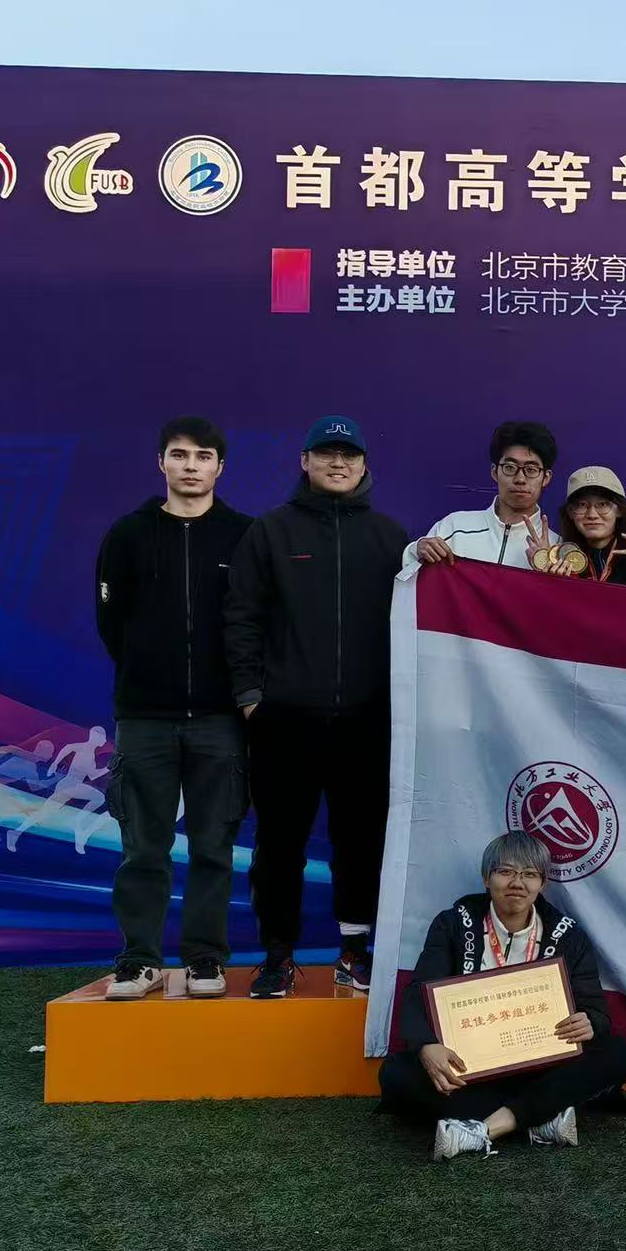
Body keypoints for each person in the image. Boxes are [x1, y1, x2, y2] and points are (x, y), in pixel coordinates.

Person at [225, 415, 410, 998]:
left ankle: (355, 952)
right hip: (284, 721)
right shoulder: (270, 532)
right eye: (326, 453)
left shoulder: (390, 538)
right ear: (304, 461)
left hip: (368, 721)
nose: (338, 463)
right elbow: (241, 618)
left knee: (361, 842)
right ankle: (278, 956)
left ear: (364, 465)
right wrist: (251, 699)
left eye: (348, 455)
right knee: (280, 845)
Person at [92, 416, 253, 1001]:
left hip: (220, 720)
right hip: (145, 718)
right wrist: (149, 676)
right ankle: (139, 961)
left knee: (214, 846)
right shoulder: (128, 535)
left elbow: (257, 622)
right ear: (161, 462)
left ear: (220, 468)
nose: (191, 466)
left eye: (203, 456)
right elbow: (111, 623)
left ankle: (205, 959)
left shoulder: (244, 535)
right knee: (143, 847)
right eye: (180, 455)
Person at [378, 833, 626, 1160]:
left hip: (541, 1066)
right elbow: (420, 990)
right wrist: (427, 1045)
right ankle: (540, 1119)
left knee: (616, 1053)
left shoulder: (569, 935)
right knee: (396, 1074)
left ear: (542, 883)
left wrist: (590, 1021)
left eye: (529, 874)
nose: (517, 883)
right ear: (487, 878)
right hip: (470, 1067)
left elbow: (595, 1009)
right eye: (506, 872)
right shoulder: (454, 924)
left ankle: (488, 1127)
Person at [408, 421, 560, 571]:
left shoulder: (557, 550)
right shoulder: (453, 528)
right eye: (510, 467)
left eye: (531, 469)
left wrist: (548, 574)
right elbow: (409, 577)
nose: (520, 479)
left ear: (546, 478)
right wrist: (415, 551)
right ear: (494, 472)